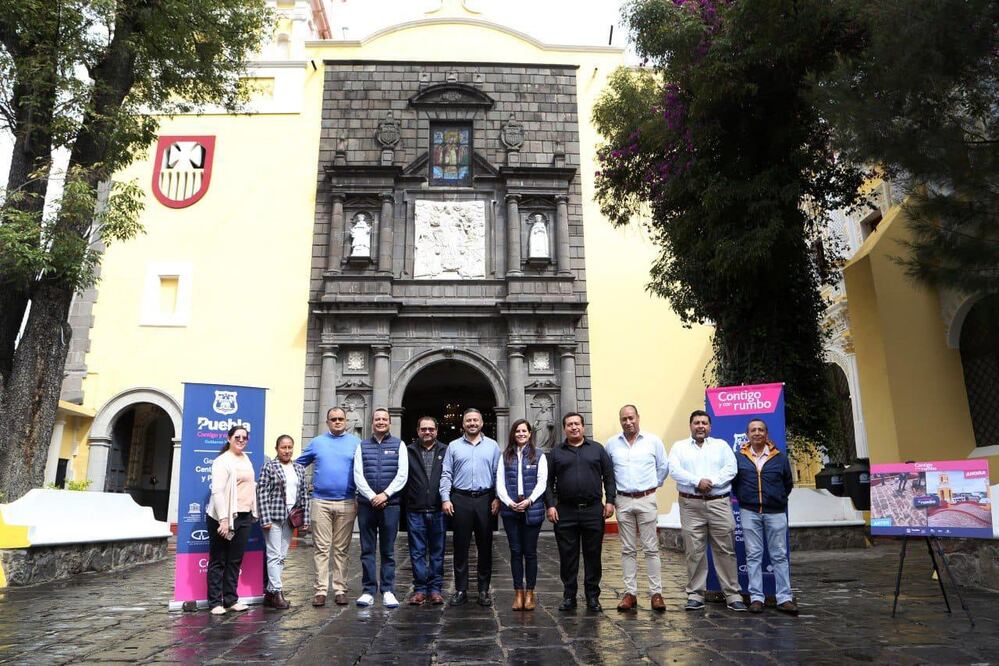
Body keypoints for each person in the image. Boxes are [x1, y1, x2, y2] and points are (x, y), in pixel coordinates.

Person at [668, 410, 747, 612]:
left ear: (710, 427)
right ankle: (695, 594)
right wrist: (697, 482)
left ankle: (732, 594)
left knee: (725, 550)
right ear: (690, 426)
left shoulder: (721, 446)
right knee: (694, 551)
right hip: (691, 505)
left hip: (719, 503)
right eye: (696, 423)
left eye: (704, 423)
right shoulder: (679, 447)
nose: (700, 426)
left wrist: (711, 482)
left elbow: (731, 468)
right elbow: (674, 470)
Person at [546, 412, 615, 612]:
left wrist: (610, 501)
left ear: (583, 427)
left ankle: (592, 596)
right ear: (564, 428)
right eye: (569, 424)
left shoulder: (597, 450)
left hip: (593, 510)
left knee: (593, 555)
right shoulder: (556, 453)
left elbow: (609, 477)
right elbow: (547, 482)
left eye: (577, 424)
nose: (574, 427)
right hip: (565, 511)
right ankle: (569, 596)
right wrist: (550, 505)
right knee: (568, 557)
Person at [605, 405, 669, 612]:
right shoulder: (611, 444)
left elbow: (663, 467)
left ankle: (656, 594)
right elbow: (608, 473)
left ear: (638, 418)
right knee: (627, 549)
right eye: (624, 419)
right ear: (620, 421)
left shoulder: (653, 441)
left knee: (651, 548)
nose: (628, 422)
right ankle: (630, 593)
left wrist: (653, 485)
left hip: (646, 499)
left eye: (631, 418)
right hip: (623, 500)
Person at [296, 406, 360, 607]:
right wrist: (302, 484)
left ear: (346, 421)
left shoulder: (356, 443)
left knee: (342, 549)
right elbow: (298, 465)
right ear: (327, 422)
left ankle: (340, 589)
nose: (337, 422)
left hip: (347, 501)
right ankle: (321, 590)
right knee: (321, 549)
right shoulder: (317, 442)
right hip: (320, 502)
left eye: (341, 419)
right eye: (333, 419)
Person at [733, 418, 797, 615]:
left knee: (779, 555)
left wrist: (777, 499)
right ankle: (756, 598)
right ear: (748, 435)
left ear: (766, 434)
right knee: (753, 555)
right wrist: (745, 498)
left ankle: (784, 598)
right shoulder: (739, 457)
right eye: (753, 430)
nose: (757, 433)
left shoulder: (779, 458)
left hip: (775, 512)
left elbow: (788, 483)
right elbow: (735, 483)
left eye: (761, 429)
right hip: (749, 511)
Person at [440, 408, 501, 607]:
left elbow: (498, 474)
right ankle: (460, 589)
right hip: (460, 499)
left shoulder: (492, 446)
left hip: (485, 499)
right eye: (468, 420)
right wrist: (445, 498)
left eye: (475, 420)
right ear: (463, 424)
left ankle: (483, 590)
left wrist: (497, 498)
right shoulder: (453, 446)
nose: (472, 423)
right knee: (460, 546)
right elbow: (446, 473)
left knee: (485, 546)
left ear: (481, 423)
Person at [353, 408, 408, 608]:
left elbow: (402, 474)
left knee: (388, 551)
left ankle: (388, 590)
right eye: (377, 419)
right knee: (367, 550)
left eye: (384, 419)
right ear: (372, 422)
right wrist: (372, 496)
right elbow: (358, 474)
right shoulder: (362, 446)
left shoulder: (399, 445)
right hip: (367, 505)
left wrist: (385, 495)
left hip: (390, 505)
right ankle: (368, 590)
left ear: (389, 422)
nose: (381, 422)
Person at [496, 419, 548, 611]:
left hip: (531, 509)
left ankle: (530, 593)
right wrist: (509, 502)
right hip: (511, 510)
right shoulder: (505, 456)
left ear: (530, 433)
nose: (521, 434)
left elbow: (542, 482)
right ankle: (518, 593)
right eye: (517, 431)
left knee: (530, 552)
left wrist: (529, 500)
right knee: (516, 552)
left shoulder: (539, 455)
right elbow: (499, 482)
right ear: (513, 434)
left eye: (524, 431)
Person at [206, 425, 258, 615]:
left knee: (235, 560)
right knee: (218, 559)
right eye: (237, 437)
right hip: (223, 517)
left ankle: (230, 599)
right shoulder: (222, 461)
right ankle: (215, 602)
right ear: (229, 439)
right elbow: (217, 492)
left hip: (243, 516)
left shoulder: (246, 458)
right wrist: (224, 519)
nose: (241, 440)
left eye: (245, 437)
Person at [257, 434, 311, 610]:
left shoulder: (299, 469)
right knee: (273, 555)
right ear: (277, 449)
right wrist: (265, 519)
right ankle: (277, 592)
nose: (287, 451)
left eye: (289, 447)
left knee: (282, 556)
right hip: (273, 517)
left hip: (290, 518)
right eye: (283, 447)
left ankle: (270, 593)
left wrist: (305, 519)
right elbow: (262, 493)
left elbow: (304, 495)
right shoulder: (269, 467)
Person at [404, 416, 448, 605]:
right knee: (417, 552)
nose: (427, 432)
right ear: (418, 431)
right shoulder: (408, 451)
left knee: (438, 552)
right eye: (424, 429)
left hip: (439, 509)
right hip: (415, 510)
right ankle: (420, 589)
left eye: (431, 429)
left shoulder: (446, 450)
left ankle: (436, 589)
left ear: (436, 431)